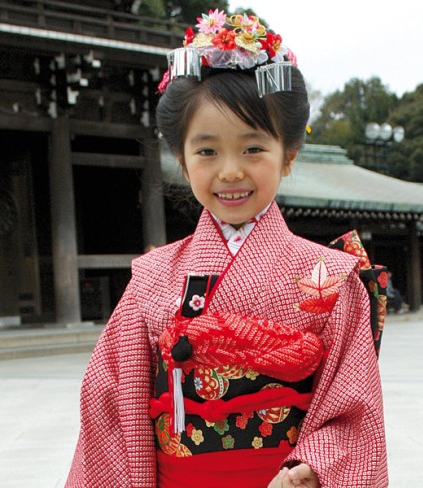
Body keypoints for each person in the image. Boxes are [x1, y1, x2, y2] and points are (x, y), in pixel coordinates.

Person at [66, 9, 387, 487]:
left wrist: (314, 467)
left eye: (253, 149)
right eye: (207, 151)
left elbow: (352, 405)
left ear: (289, 157)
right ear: (182, 159)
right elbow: (112, 402)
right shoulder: (153, 278)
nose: (231, 171)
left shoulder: (329, 277)